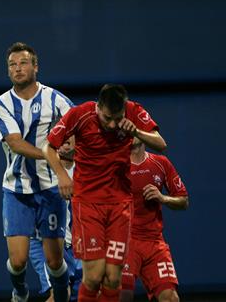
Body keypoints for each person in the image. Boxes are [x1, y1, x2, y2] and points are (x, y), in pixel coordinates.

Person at [43, 84, 167, 302]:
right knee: (93, 276)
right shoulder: (81, 114)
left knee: (113, 279)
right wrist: (62, 175)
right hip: (88, 205)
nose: (112, 124)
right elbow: (48, 147)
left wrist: (136, 131)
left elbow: (161, 143)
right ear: (98, 107)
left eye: (117, 118)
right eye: (107, 117)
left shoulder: (133, 111)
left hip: (120, 206)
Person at [0, 42, 74, 302]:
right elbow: (15, 143)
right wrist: (52, 154)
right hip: (16, 191)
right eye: (12, 65)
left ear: (35, 67)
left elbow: (78, 130)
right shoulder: (2, 103)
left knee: (55, 261)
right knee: (17, 261)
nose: (17, 69)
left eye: (23, 63)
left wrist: (72, 149)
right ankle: (19, 291)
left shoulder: (56, 99)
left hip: (50, 190)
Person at [119, 138, 188, 302]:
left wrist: (163, 198)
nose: (133, 132)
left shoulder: (161, 163)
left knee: (170, 298)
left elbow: (183, 201)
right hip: (124, 241)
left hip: (154, 242)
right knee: (122, 296)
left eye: (138, 127)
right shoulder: (116, 166)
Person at [28, 136, 82, 302]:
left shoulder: (85, 170)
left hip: (77, 247)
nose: (65, 136)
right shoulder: (41, 171)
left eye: (71, 133)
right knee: (59, 294)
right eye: (60, 132)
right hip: (46, 243)